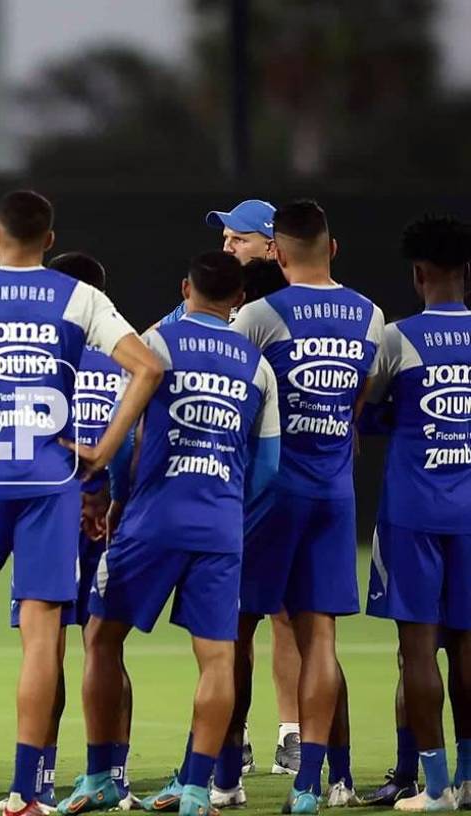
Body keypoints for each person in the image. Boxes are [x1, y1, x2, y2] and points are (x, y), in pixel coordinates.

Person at [0, 191, 163, 816]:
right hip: (50, 486)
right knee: (43, 642)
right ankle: (24, 792)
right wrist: (101, 450)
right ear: (48, 238)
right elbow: (146, 370)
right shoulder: (80, 298)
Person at [69, 251, 280, 816]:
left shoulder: (154, 345)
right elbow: (268, 468)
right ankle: (195, 789)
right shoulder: (258, 367)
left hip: (152, 518)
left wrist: (113, 497)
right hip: (219, 526)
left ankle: (99, 776)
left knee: (101, 637)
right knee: (217, 657)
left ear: (185, 287)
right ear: (238, 299)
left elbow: (124, 427)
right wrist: (233, 509)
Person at [224, 200, 385, 813]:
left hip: (267, 494)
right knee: (322, 637)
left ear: (279, 253)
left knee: (233, 632)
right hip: (335, 493)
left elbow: (227, 391)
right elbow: (358, 411)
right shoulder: (370, 315)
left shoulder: (260, 314)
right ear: (333, 247)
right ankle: (312, 784)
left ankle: (224, 773)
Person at [0, 251, 135, 814]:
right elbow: (138, 440)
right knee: (107, 649)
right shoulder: (128, 357)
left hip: (51, 514)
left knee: (44, 649)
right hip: (115, 516)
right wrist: (114, 497)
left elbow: (20, 442)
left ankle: (38, 783)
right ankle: (111, 774)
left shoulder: (40, 358)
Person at [159, 200, 302, 778]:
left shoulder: (300, 306)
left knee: (291, 614)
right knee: (235, 618)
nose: (228, 249)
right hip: (230, 484)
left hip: (288, 484)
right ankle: (232, 739)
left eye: (239, 239)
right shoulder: (203, 308)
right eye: (224, 239)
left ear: (273, 247)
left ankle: (292, 733)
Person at [362, 215, 471, 811]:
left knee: (417, 649)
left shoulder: (397, 338)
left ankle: (433, 788)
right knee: (469, 648)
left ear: (418, 273)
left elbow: (365, 410)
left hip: (413, 513)